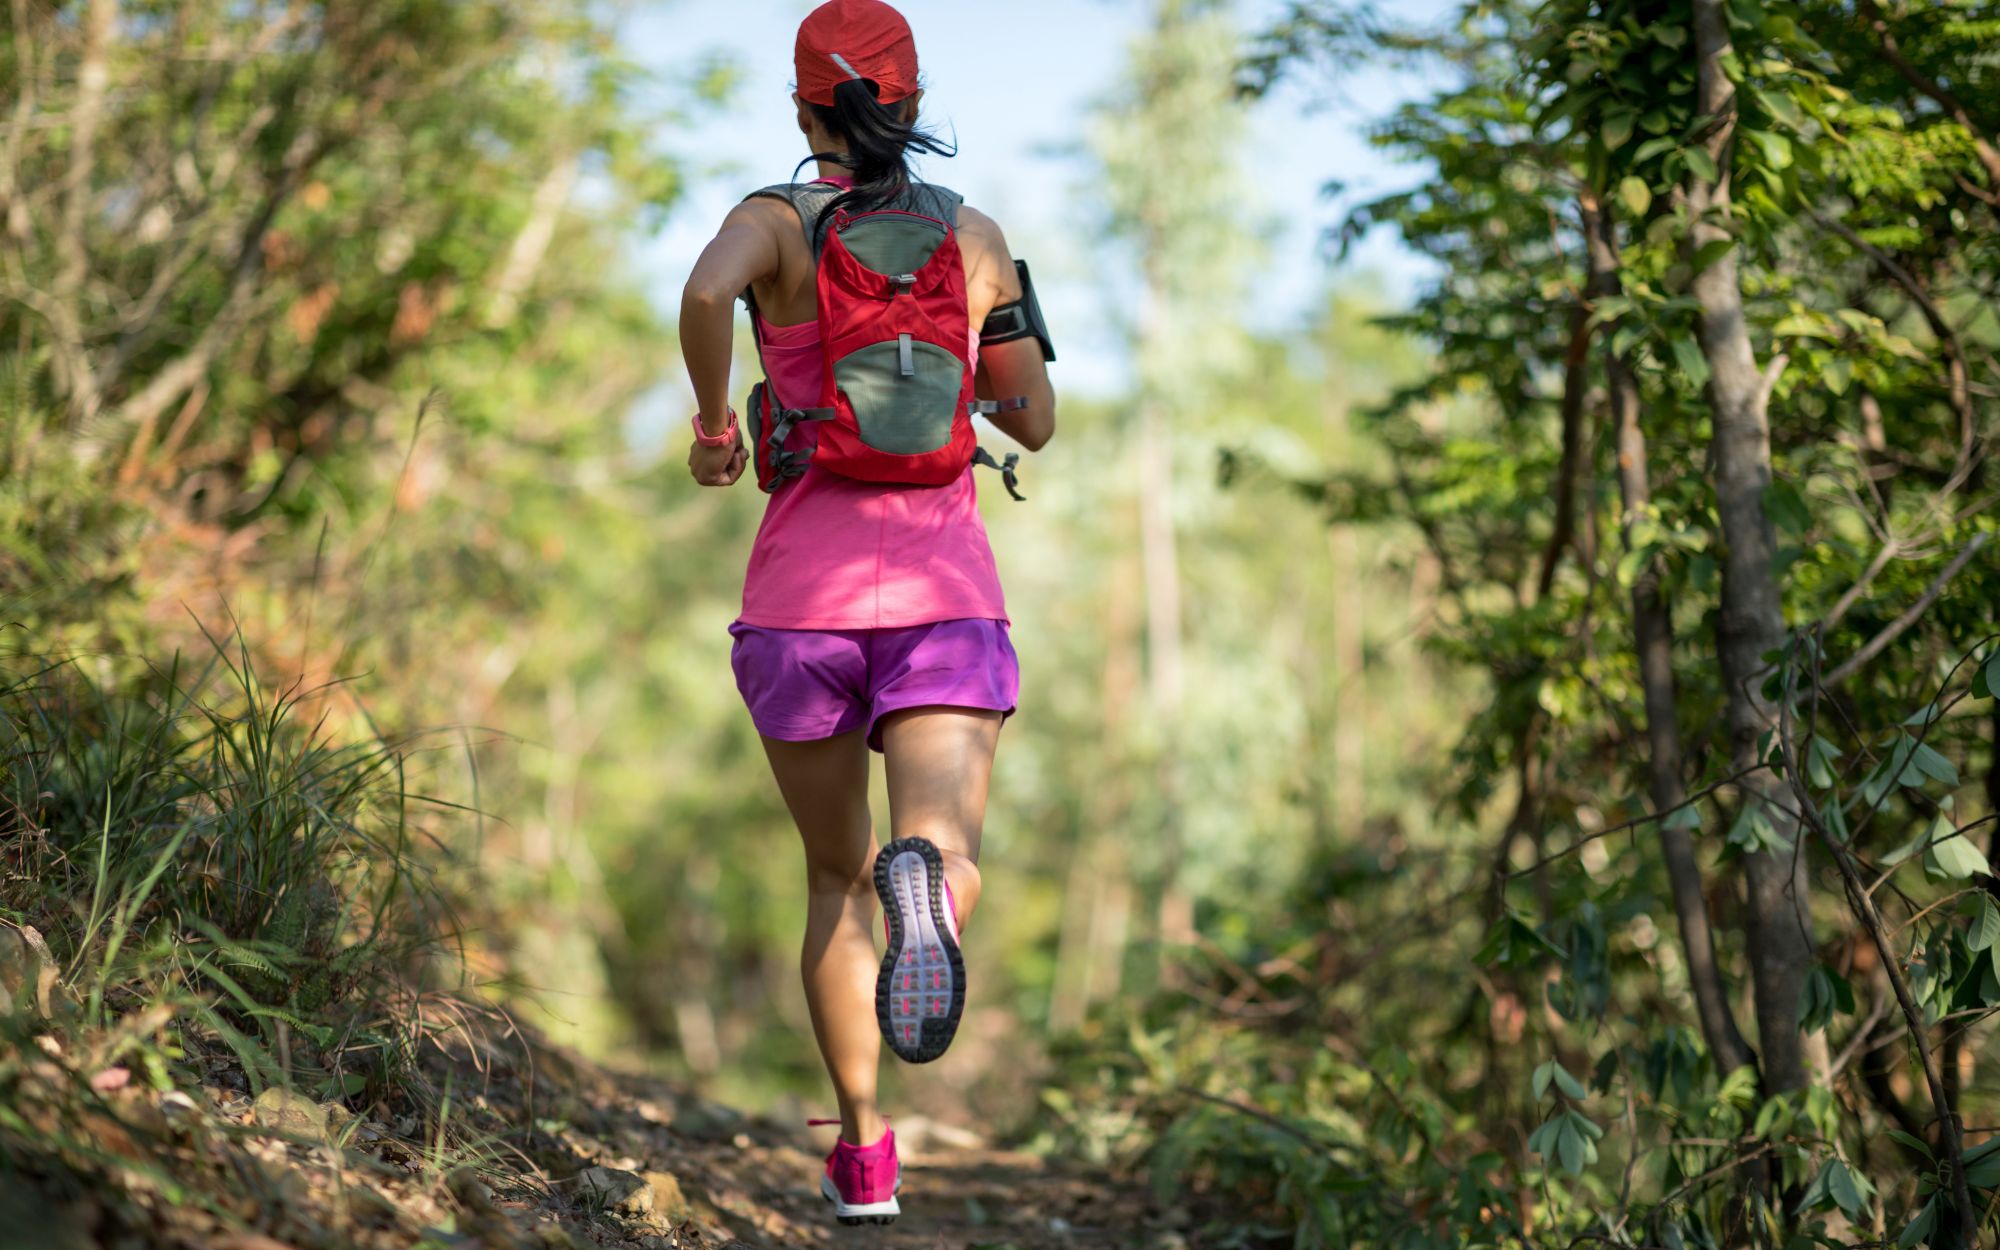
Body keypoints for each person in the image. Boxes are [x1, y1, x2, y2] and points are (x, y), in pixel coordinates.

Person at [675, 0, 1055, 1226]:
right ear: (911, 101)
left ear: (803, 109)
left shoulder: (772, 221)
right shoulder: (974, 234)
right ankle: (930, 890)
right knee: (935, 853)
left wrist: (717, 425)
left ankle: (863, 1153)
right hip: (943, 596)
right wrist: (960, 381)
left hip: (800, 607)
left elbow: (703, 292)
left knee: (834, 878)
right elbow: (1034, 420)